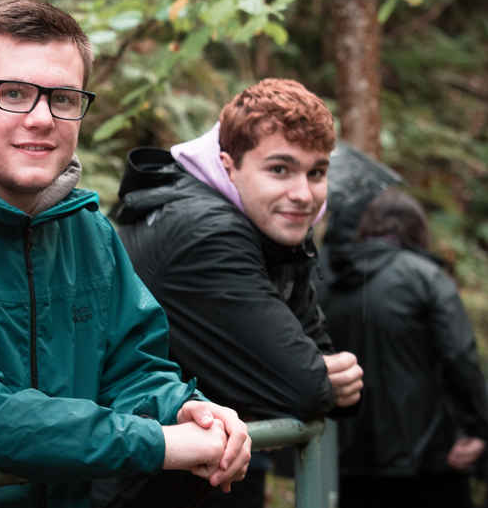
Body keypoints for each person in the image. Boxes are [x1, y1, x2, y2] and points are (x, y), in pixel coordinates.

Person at [0, 0, 251, 508]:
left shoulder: (86, 229)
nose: (41, 119)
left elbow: (134, 368)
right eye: (13, 93)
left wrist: (187, 411)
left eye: (62, 98)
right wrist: (159, 443)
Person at [112, 78, 365, 507]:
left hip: (195, 479)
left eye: (316, 172)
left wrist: (310, 374)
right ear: (229, 166)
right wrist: (315, 377)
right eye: (279, 169)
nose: (303, 194)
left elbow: (312, 360)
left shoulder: (266, 224)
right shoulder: (207, 231)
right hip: (140, 486)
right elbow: (305, 387)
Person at [321, 187, 488, 508]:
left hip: (348, 458)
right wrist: (477, 429)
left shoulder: (331, 282)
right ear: (418, 229)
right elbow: (460, 357)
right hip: (427, 459)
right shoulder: (426, 278)